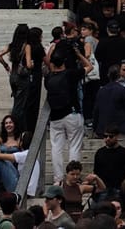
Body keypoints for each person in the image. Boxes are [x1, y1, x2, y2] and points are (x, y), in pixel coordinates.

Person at [45, 50, 92, 184]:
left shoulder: (48, 78)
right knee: (74, 146)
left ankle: (58, 178)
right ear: (64, 63)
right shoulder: (71, 74)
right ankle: (73, 176)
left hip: (55, 117)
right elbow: (89, 67)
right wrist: (78, 54)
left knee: (56, 148)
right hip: (72, 113)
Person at [93, 65, 125, 150]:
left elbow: (96, 111)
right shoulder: (122, 90)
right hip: (121, 129)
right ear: (119, 75)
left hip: (106, 130)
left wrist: (95, 128)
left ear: (108, 75)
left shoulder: (101, 91)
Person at [0, 132, 39, 198]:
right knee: (4, 162)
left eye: (19, 139)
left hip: (22, 191)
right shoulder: (29, 154)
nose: (17, 141)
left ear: (22, 142)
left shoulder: (26, 154)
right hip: (24, 189)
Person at [93, 125, 125, 199]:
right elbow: (96, 172)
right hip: (103, 189)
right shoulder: (99, 152)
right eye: (105, 136)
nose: (107, 138)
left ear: (117, 136)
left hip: (118, 189)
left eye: (111, 136)